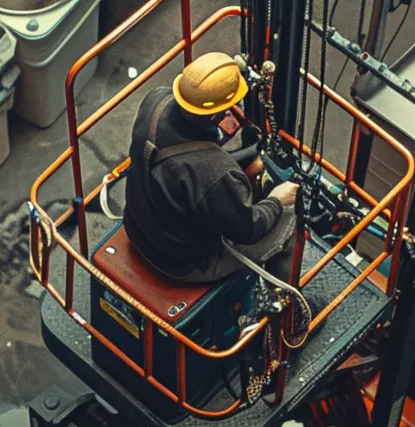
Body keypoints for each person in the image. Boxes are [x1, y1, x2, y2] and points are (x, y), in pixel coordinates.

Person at [123, 52, 301, 284]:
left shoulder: (155, 100)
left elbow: (192, 166)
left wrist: (253, 152)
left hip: (138, 228)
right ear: (216, 114)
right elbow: (249, 230)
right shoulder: (216, 173)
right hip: (181, 264)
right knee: (290, 219)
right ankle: (287, 311)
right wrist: (277, 200)